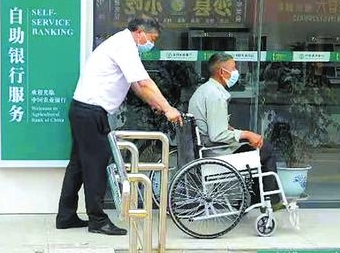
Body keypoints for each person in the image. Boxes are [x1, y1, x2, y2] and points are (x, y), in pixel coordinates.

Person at [57, 16, 183, 235]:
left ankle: (65, 216)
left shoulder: (120, 44)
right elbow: (144, 82)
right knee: (96, 165)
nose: (152, 44)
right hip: (91, 113)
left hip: (84, 111)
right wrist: (168, 107)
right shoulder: (125, 46)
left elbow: (136, 87)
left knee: (78, 165)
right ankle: (97, 220)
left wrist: (157, 104)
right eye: (152, 38)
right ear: (140, 32)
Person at [188, 52, 283, 208]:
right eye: (233, 68)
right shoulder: (215, 95)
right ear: (222, 71)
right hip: (216, 152)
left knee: (258, 146)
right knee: (266, 149)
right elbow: (217, 134)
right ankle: (269, 200)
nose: (236, 72)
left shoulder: (204, 90)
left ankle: (258, 199)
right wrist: (246, 134)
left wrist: (237, 132)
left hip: (208, 147)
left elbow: (214, 125)